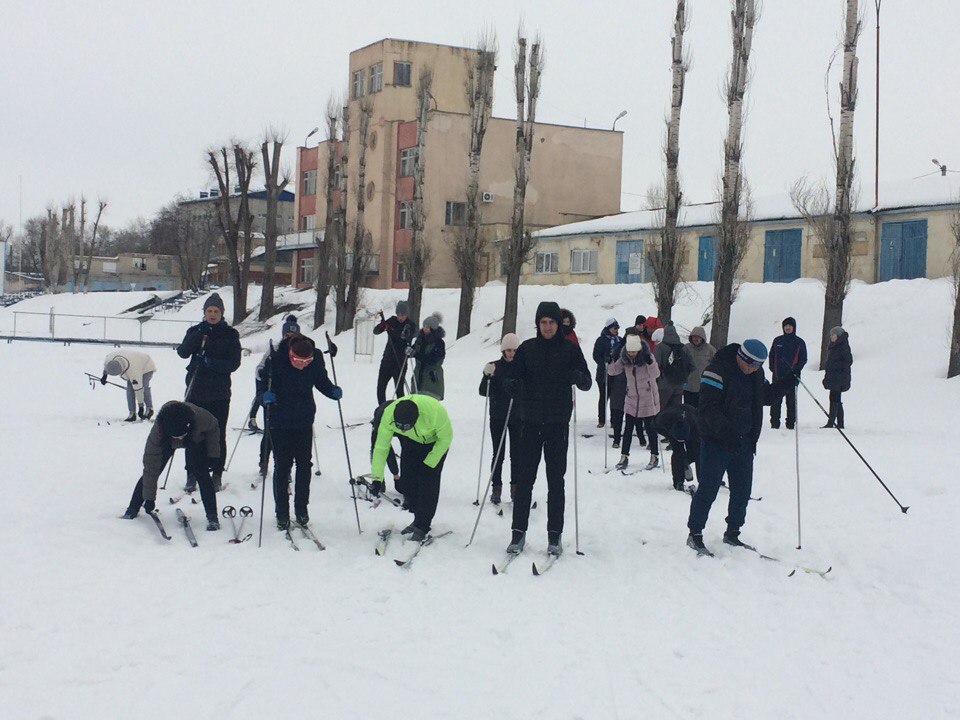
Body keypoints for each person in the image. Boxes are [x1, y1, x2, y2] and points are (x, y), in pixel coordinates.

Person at [495, 301, 592, 557]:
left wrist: (577, 377)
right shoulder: (527, 349)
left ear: (558, 324)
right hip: (529, 423)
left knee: (555, 482)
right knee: (525, 481)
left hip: (557, 425)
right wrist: (512, 385)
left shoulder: (569, 349)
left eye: (551, 322)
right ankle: (518, 534)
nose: (547, 327)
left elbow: (587, 382)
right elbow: (510, 377)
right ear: (538, 324)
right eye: (543, 322)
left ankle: (554, 535)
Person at [686, 339, 768, 556]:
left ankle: (733, 531)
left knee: (742, 491)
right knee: (708, 489)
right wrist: (727, 433)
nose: (752, 370)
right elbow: (707, 409)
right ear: (741, 358)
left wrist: (787, 382)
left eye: (757, 366)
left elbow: (764, 397)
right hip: (717, 442)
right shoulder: (716, 370)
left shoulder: (756, 374)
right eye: (750, 365)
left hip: (744, 442)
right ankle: (695, 533)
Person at [261, 333, 341, 529]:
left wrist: (332, 391)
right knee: (282, 466)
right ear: (290, 354)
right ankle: (282, 512)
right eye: (297, 360)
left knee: (305, 465)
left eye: (306, 361)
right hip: (279, 420)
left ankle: (301, 508)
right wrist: (264, 396)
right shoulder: (276, 358)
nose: (302, 364)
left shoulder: (314, 360)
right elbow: (262, 382)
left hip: (304, 419)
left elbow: (321, 381)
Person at [121, 401, 222, 531]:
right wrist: (149, 498)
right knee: (153, 471)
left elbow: (214, 428)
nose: (179, 439)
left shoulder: (202, 418)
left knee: (202, 474)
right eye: (176, 436)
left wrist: (213, 455)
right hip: (167, 442)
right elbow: (150, 468)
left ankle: (212, 516)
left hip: (195, 439)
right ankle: (132, 508)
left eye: (181, 436)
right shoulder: (157, 434)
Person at [176, 292, 241, 492]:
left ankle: (217, 472)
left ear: (222, 313)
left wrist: (211, 363)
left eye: (216, 311)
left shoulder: (230, 334)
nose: (212, 315)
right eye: (209, 311)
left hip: (219, 392)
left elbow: (233, 363)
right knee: (193, 431)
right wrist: (197, 336)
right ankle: (192, 472)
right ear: (204, 313)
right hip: (196, 389)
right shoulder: (196, 330)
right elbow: (182, 352)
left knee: (217, 432)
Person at [369, 395, 453, 541]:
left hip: (435, 443)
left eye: (405, 426)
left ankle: (423, 525)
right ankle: (416, 519)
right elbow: (381, 447)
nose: (401, 428)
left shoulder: (434, 412)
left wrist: (430, 463)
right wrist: (377, 478)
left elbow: (446, 438)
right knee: (407, 481)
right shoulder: (389, 415)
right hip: (412, 440)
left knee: (428, 483)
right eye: (398, 426)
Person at [248, 315, 301, 480]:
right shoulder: (274, 349)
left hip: (293, 400)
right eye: (287, 335)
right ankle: (263, 462)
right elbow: (259, 370)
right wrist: (262, 393)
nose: (289, 339)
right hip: (273, 399)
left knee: (291, 436)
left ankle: (285, 467)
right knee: (270, 433)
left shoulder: (301, 348)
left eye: (293, 336)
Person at [607, 334, 661, 471]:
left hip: (648, 397)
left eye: (634, 351)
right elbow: (613, 371)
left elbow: (656, 374)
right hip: (632, 398)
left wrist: (650, 362)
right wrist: (610, 361)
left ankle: (654, 455)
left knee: (650, 428)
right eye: (629, 351)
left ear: (639, 350)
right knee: (628, 429)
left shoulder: (648, 357)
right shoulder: (625, 359)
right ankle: (624, 456)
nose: (631, 354)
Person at [480, 333, 522, 505]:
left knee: (517, 455)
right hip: (498, 416)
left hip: (518, 417)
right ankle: (496, 488)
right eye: (508, 350)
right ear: (503, 351)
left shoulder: (522, 367)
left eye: (514, 350)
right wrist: (486, 377)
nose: (511, 353)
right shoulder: (494, 366)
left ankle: (515, 488)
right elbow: (483, 391)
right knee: (498, 454)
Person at [768, 316, 808, 429]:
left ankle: (790, 423)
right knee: (775, 400)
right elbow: (772, 355)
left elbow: (803, 358)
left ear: (794, 327)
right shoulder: (778, 340)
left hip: (792, 376)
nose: (788, 328)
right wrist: (772, 368)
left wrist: (797, 369)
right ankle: (774, 423)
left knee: (791, 402)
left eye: (790, 326)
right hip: (777, 376)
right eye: (786, 326)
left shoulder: (799, 342)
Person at [373, 301, 417, 404]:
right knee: (381, 387)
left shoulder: (410, 325)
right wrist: (382, 326)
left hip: (400, 362)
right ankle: (382, 409)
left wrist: (391, 330)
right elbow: (376, 331)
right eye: (398, 315)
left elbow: (403, 339)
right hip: (387, 360)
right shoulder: (392, 321)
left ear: (407, 314)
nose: (400, 317)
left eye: (403, 315)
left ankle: (400, 411)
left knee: (399, 390)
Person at [655, 403, 700, 492]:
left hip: (691, 425)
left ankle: (704, 480)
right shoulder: (662, 419)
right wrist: (669, 435)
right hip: (672, 429)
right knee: (678, 452)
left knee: (697, 453)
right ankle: (678, 481)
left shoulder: (696, 423)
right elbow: (654, 426)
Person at [101, 349, 157, 422]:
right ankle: (132, 413)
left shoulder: (134, 369)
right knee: (130, 389)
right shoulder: (109, 359)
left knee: (143, 388)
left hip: (146, 365)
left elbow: (138, 389)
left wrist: (141, 407)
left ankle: (149, 409)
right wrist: (104, 376)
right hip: (132, 361)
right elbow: (106, 367)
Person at [654, 322, 693, 413]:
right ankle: (674, 427)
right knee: (676, 411)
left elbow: (656, 366)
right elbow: (692, 366)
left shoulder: (659, 347)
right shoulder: (684, 348)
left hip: (664, 385)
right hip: (679, 385)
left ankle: (660, 427)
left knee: (660, 411)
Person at [591, 317, 621, 428]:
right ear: (608, 328)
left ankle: (614, 420)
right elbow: (595, 355)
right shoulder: (601, 340)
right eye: (614, 328)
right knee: (604, 396)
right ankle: (601, 419)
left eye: (617, 328)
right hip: (603, 374)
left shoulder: (619, 340)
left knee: (615, 398)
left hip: (616, 373)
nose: (616, 330)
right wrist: (604, 362)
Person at [822, 326, 853, 429]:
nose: (831, 337)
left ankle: (831, 422)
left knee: (834, 398)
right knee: (836, 399)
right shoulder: (834, 346)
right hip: (834, 376)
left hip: (839, 377)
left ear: (838, 336)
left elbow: (848, 361)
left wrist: (836, 366)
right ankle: (840, 422)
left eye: (833, 335)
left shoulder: (843, 346)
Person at [409, 312, 446, 399]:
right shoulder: (420, 339)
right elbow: (414, 350)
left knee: (428, 406)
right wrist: (409, 351)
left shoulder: (439, 343)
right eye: (424, 326)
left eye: (427, 327)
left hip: (432, 379)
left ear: (433, 329)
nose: (425, 328)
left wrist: (415, 354)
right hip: (418, 377)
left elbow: (432, 360)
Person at [683, 326, 716, 407]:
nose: (696, 339)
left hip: (702, 387)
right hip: (688, 386)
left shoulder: (710, 349)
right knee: (688, 409)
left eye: (698, 337)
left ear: (702, 338)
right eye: (694, 336)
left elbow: (716, 365)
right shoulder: (686, 348)